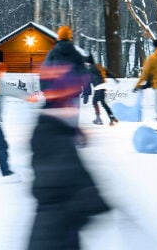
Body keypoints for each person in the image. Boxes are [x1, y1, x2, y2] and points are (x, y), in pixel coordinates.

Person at [28, 25, 108, 249]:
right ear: (70, 37)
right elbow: (83, 74)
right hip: (55, 229)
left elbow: (44, 76)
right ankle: (71, 130)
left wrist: (48, 92)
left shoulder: (52, 54)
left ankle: (70, 130)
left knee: (62, 126)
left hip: (56, 98)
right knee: (66, 124)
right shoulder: (74, 53)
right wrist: (84, 90)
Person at [84, 55, 117, 125]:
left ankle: (111, 117)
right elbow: (107, 72)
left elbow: (88, 80)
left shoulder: (90, 68)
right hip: (100, 87)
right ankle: (100, 118)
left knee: (102, 103)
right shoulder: (98, 66)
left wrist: (86, 93)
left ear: (88, 62)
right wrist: (114, 79)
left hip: (99, 87)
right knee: (95, 102)